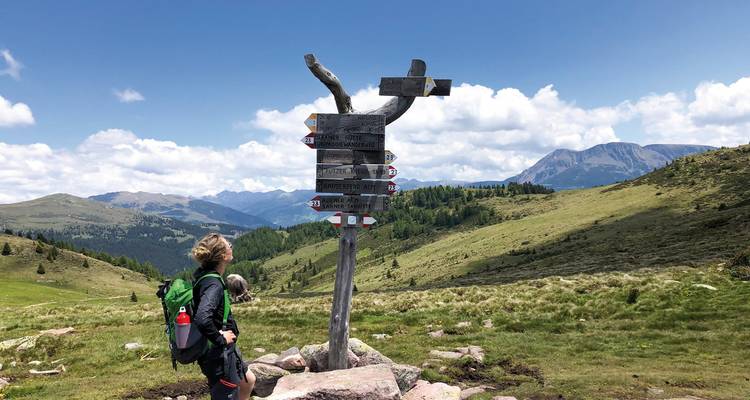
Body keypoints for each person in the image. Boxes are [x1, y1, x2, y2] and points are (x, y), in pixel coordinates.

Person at [192, 233, 256, 399]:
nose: (231, 247)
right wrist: (220, 339)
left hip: (227, 350)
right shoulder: (213, 284)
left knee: (248, 381)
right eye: (229, 245)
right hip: (219, 354)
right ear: (222, 256)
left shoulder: (206, 276)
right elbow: (202, 318)